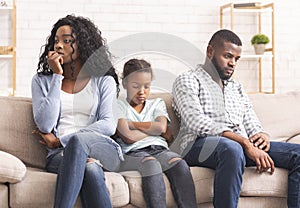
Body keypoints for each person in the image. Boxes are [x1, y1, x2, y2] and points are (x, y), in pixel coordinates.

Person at [172, 29, 300, 208]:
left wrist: (260, 135)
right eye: (228, 56)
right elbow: (196, 122)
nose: (232, 63)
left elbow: (250, 119)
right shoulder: (187, 80)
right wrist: (245, 143)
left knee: (298, 153)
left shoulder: (236, 88)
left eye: (236, 59)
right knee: (232, 149)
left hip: (238, 148)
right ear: (210, 51)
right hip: (198, 146)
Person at [31, 14, 123, 208]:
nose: (58, 46)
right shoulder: (41, 81)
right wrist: (57, 76)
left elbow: (108, 125)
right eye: (56, 41)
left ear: (83, 45)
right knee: (90, 170)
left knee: (79, 141)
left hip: (101, 149)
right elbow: (45, 124)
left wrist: (61, 141)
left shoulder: (103, 80)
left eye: (67, 41)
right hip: (60, 156)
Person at [114, 58, 197, 208]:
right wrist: (154, 131)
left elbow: (161, 127)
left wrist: (132, 125)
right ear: (125, 83)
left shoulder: (157, 103)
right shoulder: (117, 105)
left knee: (179, 164)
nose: (142, 92)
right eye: (135, 86)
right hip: (132, 153)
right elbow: (127, 137)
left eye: (146, 86)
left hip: (160, 150)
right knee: (151, 164)